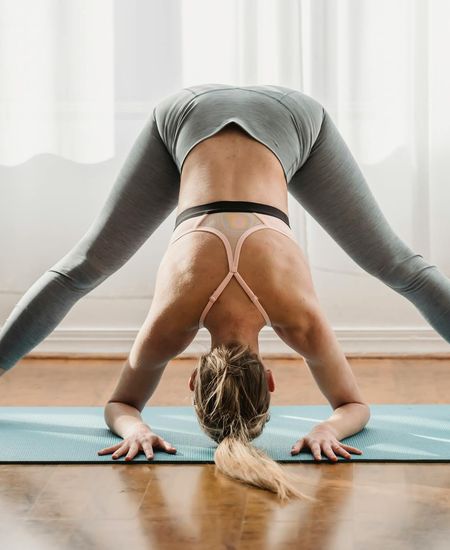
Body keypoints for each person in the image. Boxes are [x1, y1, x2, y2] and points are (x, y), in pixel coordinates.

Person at [1, 84, 449, 501]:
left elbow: (354, 406)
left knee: (399, 268)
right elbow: (120, 405)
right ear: (194, 379)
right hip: (186, 115)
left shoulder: (299, 321)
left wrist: (329, 429)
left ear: (271, 381)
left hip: (292, 120)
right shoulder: (170, 324)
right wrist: (133, 427)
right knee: (82, 269)